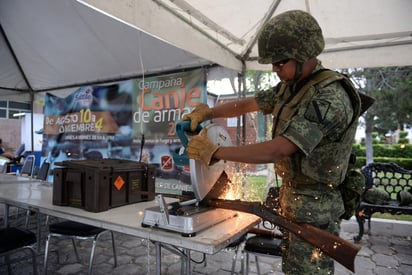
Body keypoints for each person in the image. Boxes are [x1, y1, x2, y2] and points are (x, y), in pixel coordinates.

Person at [183, 10, 362, 275]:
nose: (275, 69)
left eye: (280, 62)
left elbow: (280, 148)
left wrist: (217, 152)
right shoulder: (292, 86)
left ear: (304, 55)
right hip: (294, 200)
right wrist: (210, 112)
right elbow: (250, 103)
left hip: (316, 206)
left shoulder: (330, 98)